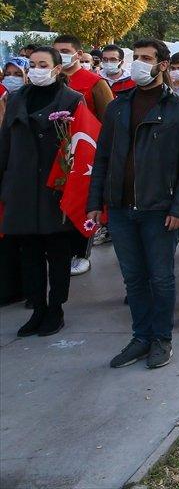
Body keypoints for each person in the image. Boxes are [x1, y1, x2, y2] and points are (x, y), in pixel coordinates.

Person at [87, 38, 179, 369]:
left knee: (161, 277)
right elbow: (103, 156)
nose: (138, 63)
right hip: (122, 209)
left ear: (162, 65)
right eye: (134, 57)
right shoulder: (118, 106)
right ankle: (141, 337)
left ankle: (161, 339)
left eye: (145, 58)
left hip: (159, 209)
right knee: (133, 277)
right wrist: (96, 200)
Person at [0, 47, 85, 337]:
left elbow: (81, 144)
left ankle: (56, 308)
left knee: (58, 252)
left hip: (54, 190)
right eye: (33, 64)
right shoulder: (15, 99)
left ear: (57, 68)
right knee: (30, 252)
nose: (37, 69)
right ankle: (37, 307)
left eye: (43, 64)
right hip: (22, 187)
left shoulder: (73, 100)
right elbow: (5, 144)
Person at [53, 34, 113, 277]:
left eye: (65, 50)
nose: (61, 55)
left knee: (82, 203)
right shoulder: (51, 80)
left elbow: (109, 121)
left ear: (78, 54)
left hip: (85, 155)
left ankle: (81, 253)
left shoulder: (94, 82)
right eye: (56, 51)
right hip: (56, 157)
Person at [0, 56, 29, 127]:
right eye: (7, 74)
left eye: (18, 74)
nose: (11, 78)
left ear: (27, 76)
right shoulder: (2, 99)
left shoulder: (33, 100)